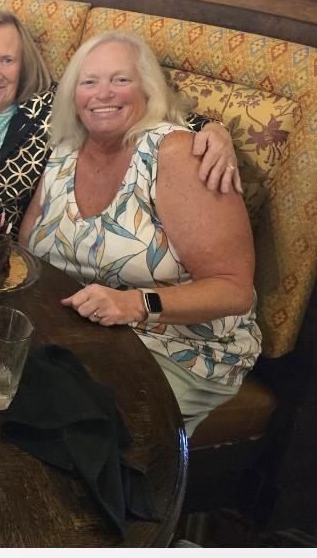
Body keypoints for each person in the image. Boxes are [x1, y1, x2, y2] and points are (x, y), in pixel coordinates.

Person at [19, 32, 260, 432]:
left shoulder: (176, 155)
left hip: (180, 349)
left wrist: (136, 304)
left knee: (75, 431)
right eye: (89, 82)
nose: (102, 94)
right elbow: (27, 253)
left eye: (120, 79)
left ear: (148, 90)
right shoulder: (63, 153)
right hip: (80, 337)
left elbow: (234, 289)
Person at [0, 8, 240, 225]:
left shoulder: (48, 109)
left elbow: (129, 107)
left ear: (23, 64)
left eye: (7, 60)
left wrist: (212, 129)